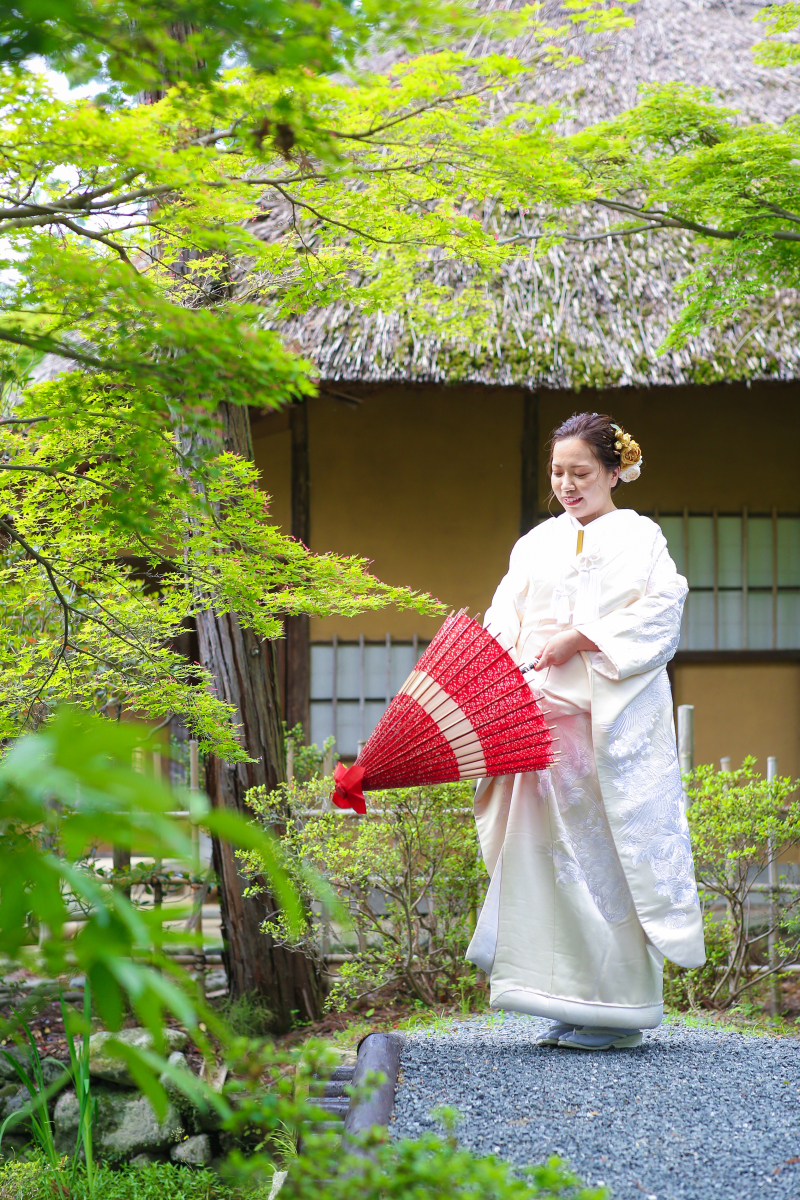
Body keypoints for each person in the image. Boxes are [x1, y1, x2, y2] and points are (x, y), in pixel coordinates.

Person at [466, 412, 705, 1051]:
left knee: (604, 860)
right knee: (543, 860)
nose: (567, 486)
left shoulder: (640, 537)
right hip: (539, 724)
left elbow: (663, 612)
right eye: (558, 473)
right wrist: (484, 676)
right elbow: (502, 617)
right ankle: (567, 996)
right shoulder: (535, 543)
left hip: (604, 730)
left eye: (581, 473)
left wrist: (584, 637)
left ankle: (619, 1008)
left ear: (613, 472)